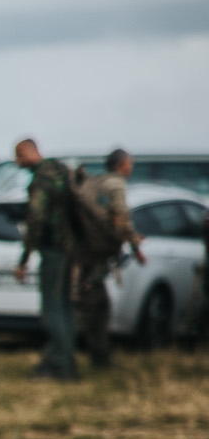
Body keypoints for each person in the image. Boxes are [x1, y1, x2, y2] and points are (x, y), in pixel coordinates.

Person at [70, 149, 146, 370]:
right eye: (129, 163)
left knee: (95, 304)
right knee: (92, 307)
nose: (130, 168)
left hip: (87, 253)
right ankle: (70, 356)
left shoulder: (98, 183)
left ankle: (97, 357)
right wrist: (134, 244)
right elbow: (122, 218)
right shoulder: (116, 184)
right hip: (96, 256)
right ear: (122, 165)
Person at [12, 138, 77, 379]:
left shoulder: (41, 180)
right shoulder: (61, 170)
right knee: (66, 307)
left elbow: (36, 220)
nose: (17, 161)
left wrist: (24, 258)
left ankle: (61, 366)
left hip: (54, 249)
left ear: (32, 151)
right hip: (71, 249)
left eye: (19, 155)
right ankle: (63, 357)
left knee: (53, 308)